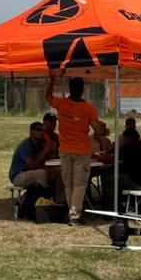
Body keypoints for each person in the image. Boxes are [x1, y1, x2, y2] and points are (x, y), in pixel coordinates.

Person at [45, 72, 106, 226]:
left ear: (71, 89)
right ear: (82, 90)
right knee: (79, 184)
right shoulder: (88, 108)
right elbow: (98, 130)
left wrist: (51, 82)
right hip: (81, 151)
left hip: (65, 151)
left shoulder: (62, 103)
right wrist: (103, 131)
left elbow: (48, 98)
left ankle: (70, 211)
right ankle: (75, 215)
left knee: (68, 183)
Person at [8, 121, 63, 205]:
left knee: (60, 170)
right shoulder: (26, 145)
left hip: (35, 172)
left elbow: (49, 160)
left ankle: (59, 200)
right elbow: (32, 166)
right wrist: (44, 151)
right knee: (41, 173)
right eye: (38, 130)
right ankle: (42, 201)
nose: (41, 132)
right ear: (31, 131)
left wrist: (53, 150)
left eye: (43, 130)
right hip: (19, 175)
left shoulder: (41, 144)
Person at [100, 127, 141, 205]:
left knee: (107, 179)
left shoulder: (128, 147)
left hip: (140, 182)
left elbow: (108, 160)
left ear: (128, 138)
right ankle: (123, 201)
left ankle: (112, 206)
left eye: (123, 138)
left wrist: (96, 156)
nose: (122, 140)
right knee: (118, 177)